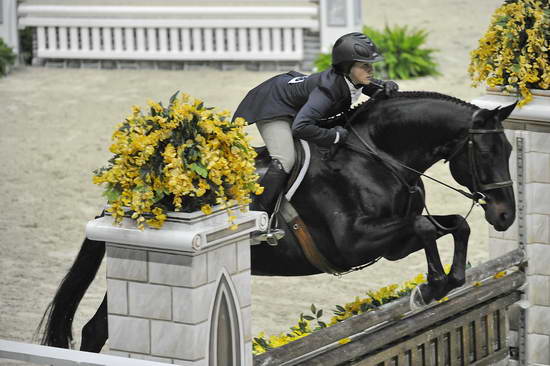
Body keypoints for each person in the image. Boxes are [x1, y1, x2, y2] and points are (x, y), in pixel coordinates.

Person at [233, 32, 399, 215]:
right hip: (273, 105)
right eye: (364, 65)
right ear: (347, 67)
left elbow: (367, 85)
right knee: (286, 159)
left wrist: (385, 86)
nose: (370, 70)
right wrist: (334, 136)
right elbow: (300, 127)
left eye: (370, 65)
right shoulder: (326, 92)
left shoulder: (351, 77)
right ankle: (259, 213)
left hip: (294, 102)